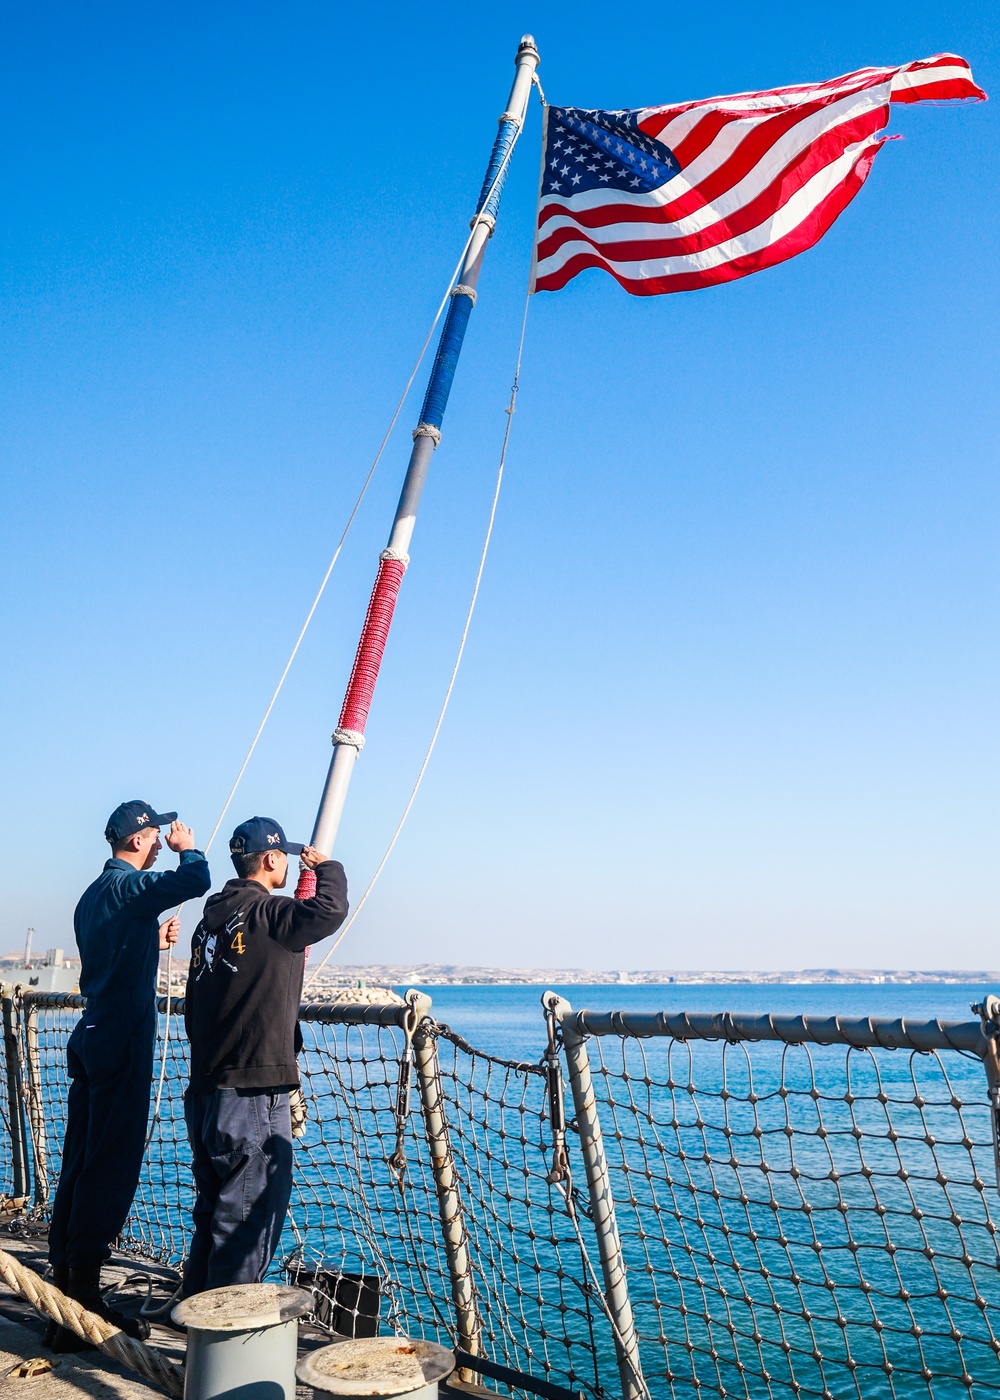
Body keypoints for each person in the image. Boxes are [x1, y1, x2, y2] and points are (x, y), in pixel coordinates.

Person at [47, 800, 211, 1349]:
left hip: (92, 1033)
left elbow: (111, 951)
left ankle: (66, 1285)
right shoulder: (128, 888)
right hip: (121, 1038)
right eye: (157, 835)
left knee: (79, 1157)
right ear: (138, 839)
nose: (163, 841)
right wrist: (190, 848)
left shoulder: (93, 895)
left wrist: (150, 940)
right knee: (110, 1162)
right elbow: (198, 878)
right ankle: (85, 1296)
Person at [181, 816, 348, 1295]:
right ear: (273, 859)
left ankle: (192, 1319)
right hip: (253, 1090)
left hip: (208, 1087)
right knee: (249, 1218)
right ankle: (223, 1350)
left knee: (214, 1210)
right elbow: (328, 911)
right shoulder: (270, 915)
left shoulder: (209, 921)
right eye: (285, 857)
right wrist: (329, 867)